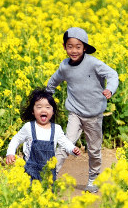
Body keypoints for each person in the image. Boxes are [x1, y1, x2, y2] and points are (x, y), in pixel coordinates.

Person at [47, 27, 119, 192]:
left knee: (94, 150)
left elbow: (112, 75)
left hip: (94, 116)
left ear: (85, 48)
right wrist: (46, 98)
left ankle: (93, 180)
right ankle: (50, 178)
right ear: (64, 47)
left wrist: (110, 89)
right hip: (75, 113)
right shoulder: (64, 66)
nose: (74, 50)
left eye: (78, 47)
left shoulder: (93, 63)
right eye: (70, 46)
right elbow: (53, 81)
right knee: (65, 144)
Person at [5, 88, 80, 181]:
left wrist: (73, 149)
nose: (43, 110)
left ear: (53, 112)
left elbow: (65, 142)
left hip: (48, 171)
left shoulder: (56, 129)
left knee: (47, 193)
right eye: (39, 107)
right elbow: (16, 139)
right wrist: (10, 153)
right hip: (29, 171)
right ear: (33, 111)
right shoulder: (28, 127)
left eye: (48, 107)